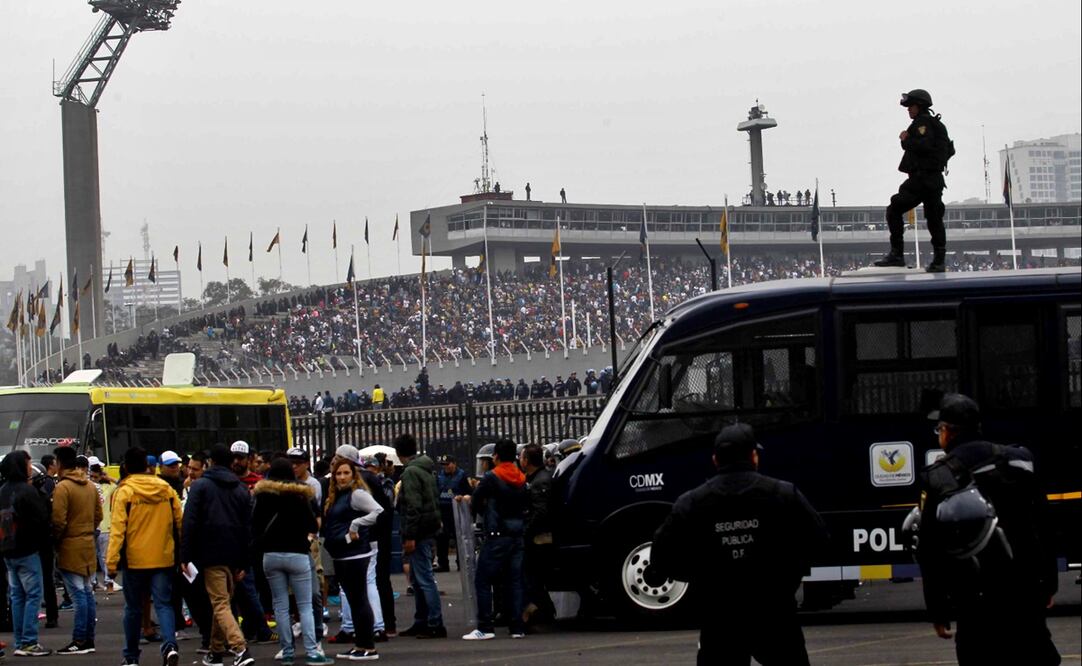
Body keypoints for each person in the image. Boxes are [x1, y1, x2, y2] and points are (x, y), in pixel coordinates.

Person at [651, 424, 827, 666]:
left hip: (720, 619)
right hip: (775, 614)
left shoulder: (691, 503)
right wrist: (786, 574)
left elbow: (661, 560)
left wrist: (702, 575)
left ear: (715, 460)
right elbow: (819, 543)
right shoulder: (783, 494)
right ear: (754, 456)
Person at [913, 393, 1060, 665]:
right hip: (1025, 594)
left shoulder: (937, 477)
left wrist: (938, 610)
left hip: (975, 601)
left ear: (947, 431)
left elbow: (930, 551)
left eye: (939, 429)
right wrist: (1048, 583)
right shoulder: (1019, 460)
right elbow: (1043, 525)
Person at [107, 446, 184, 666]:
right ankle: (170, 645)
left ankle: (131, 656)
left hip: (135, 560)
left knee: (133, 608)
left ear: (126, 467)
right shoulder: (165, 489)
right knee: (164, 604)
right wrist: (181, 553)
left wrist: (111, 562)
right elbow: (180, 523)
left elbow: (118, 529)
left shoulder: (125, 491)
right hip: (163, 556)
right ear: (147, 466)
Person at [181, 444, 256, 666]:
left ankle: (239, 648)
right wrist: (245, 561)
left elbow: (190, 522)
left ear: (210, 462)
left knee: (220, 603)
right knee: (222, 601)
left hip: (209, 552)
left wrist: (185, 555)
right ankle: (215, 650)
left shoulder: (201, 486)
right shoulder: (240, 488)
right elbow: (247, 527)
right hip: (234, 555)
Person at [251, 459, 331, 665]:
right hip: (297, 553)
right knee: (304, 605)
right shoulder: (300, 496)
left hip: (270, 556)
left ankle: (287, 651)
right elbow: (313, 524)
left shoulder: (262, 496)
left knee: (280, 606)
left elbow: (254, 526)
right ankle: (312, 651)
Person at [874, 88, 953, 272]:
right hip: (934, 179)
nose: (909, 110)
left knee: (894, 209)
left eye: (911, 106)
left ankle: (897, 254)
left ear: (920, 106)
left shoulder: (923, 123)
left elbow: (923, 146)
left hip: (922, 179)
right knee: (934, 219)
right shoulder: (936, 124)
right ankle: (939, 260)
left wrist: (905, 140)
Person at [461, 438, 528, 640]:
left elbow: (476, 500)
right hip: (517, 534)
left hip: (497, 533)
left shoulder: (492, 477)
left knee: (483, 580)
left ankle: (485, 626)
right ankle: (516, 627)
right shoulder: (521, 477)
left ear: (496, 456)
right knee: (514, 581)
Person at [322, 457, 383, 661]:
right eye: (338, 473)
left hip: (355, 554)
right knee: (354, 599)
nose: (341, 477)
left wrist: (356, 525)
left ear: (353, 474)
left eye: (346, 472)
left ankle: (367, 646)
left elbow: (378, 511)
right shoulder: (338, 495)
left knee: (358, 599)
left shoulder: (357, 494)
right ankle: (361, 644)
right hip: (342, 553)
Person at [394, 433, 447, 638]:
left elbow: (413, 507)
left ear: (399, 454)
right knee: (419, 578)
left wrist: (409, 535)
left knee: (423, 578)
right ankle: (423, 620)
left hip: (418, 531)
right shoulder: (426, 469)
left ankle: (434, 622)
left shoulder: (410, 473)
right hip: (428, 527)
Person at [1, 450, 53, 657]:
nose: (31, 467)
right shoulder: (28, 491)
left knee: (17, 596)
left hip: (7, 549)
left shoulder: (2, 490)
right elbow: (42, 519)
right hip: (28, 548)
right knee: (32, 595)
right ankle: (29, 642)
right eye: (28, 464)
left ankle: (20, 641)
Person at [51, 445, 103, 655]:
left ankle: (80, 639)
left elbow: (58, 520)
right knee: (87, 592)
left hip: (70, 544)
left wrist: (57, 540)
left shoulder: (63, 487)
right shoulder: (89, 485)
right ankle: (88, 638)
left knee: (78, 594)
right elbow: (98, 515)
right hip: (88, 543)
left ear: (60, 463)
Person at [518, 443, 556, 626]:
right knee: (532, 578)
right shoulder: (534, 477)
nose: (519, 460)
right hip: (536, 535)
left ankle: (544, 611)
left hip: (539, 538)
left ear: (527, 460)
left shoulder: (540, 480)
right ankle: (544, 610)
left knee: (532, 577)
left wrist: (526, 531)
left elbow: (540, 512)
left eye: (522, 457)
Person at [435, 455, 470, 573]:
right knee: (441, 537)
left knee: (459, 536)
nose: (446, 467)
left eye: (448, 464)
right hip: (443, 509)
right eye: (444, 465)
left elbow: (468, 492)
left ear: (454, 463)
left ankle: (461, 563)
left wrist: (462, 497)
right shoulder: (439, 476)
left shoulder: (461, 475)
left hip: (457, 509)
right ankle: (443, 564)